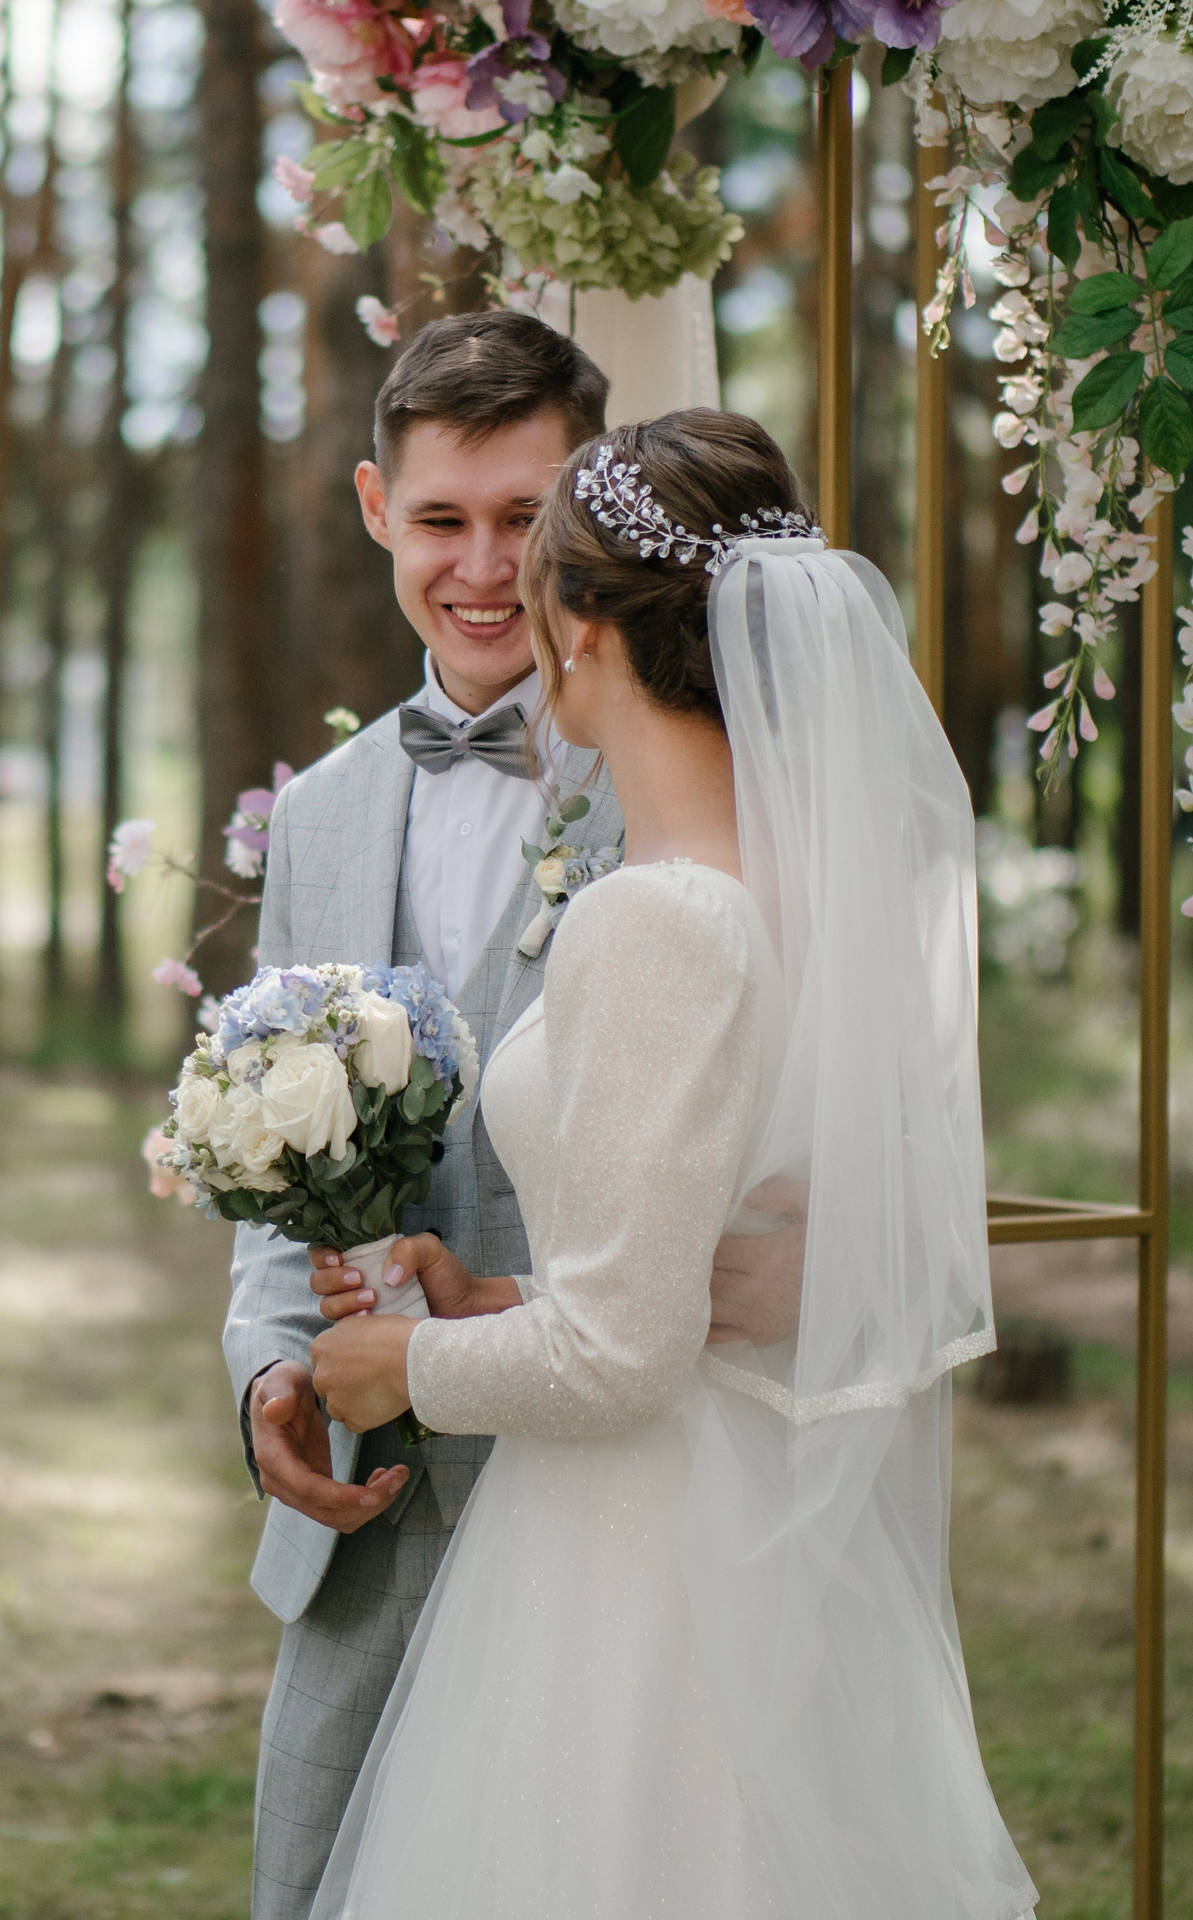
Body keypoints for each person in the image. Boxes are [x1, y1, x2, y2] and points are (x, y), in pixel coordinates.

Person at [301, 411, 1038, 1918]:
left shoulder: (660, 918)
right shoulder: (810, 888)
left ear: (584, 626)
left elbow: (618, 1361)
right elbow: (697, 1278)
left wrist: (397, 1366)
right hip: (759, 1541)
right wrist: (494, 1288)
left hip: (639, 1581)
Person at [227, 313, 804, 1920]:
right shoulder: (326, 815)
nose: (485, 569)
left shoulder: (700, 791)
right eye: (441, 519)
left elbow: (797, 1211)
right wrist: (278, 1378)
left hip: (619, 1535)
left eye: (526, 523)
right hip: (371, 1512)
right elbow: (273, 1186)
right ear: (371, 507)